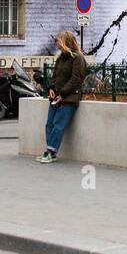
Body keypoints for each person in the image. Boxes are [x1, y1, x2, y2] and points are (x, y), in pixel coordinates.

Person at [36, 31, 87, 164]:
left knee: (58, 125)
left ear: (65, 41)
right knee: (49, 124)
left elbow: (76, 78)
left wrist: (62, 94)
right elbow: (55, 76)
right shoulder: (60, 58)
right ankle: (49, 151)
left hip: (68, 98)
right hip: (56, 98)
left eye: (58, 40)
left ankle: (51, 152)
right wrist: (51, 89)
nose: (56, 43)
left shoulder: (78, 58)